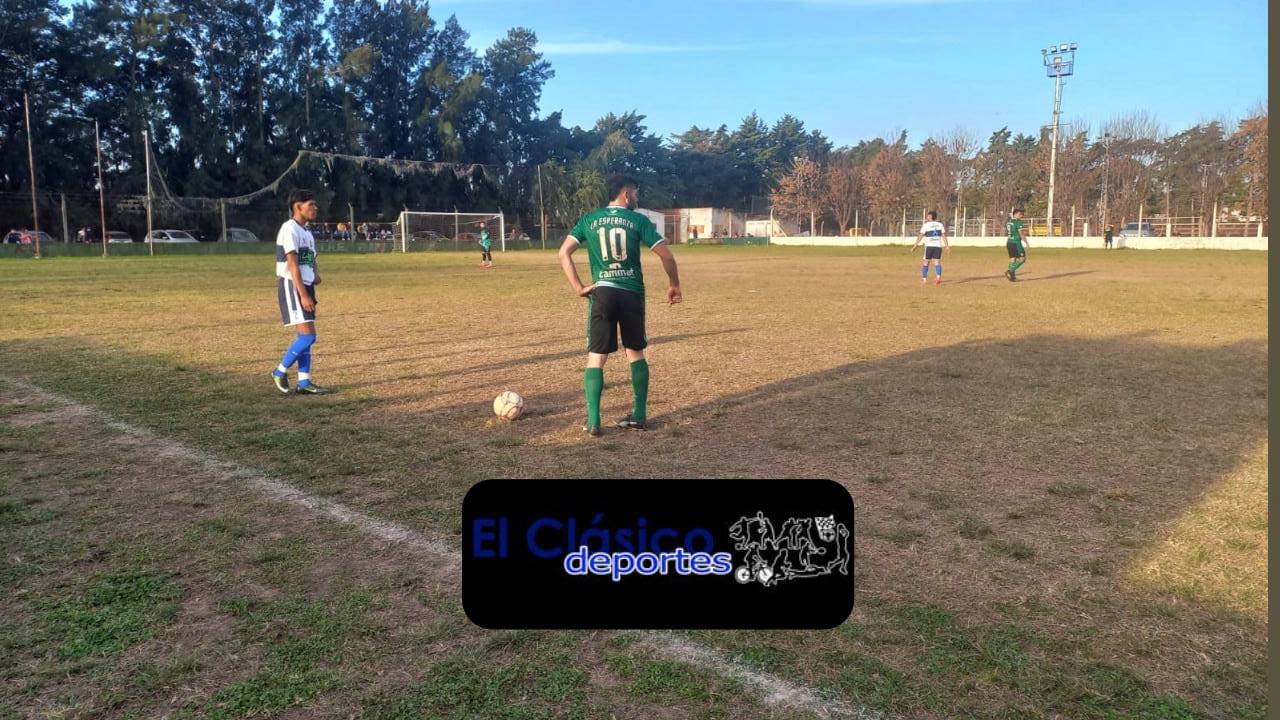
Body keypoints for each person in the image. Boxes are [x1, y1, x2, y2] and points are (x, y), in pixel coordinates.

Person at [558, 175, 682, 437]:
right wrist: (674, 284)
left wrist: (579, 287)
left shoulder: (589, 219)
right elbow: (667, 256)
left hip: (602, 292)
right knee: (635, 352)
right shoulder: (638, 220)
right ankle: (639, 416)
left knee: (596, 356)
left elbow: (563, 253)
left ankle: (594, 421)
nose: (637, 197)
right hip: (631, 293)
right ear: (626, 194)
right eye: (635, 193)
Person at [271, 189, 332, 395]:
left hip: (306, 285)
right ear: (298, 207)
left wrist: (315, 274)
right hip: (293, 285)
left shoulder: (306, 231)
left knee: (305, 335)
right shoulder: (289, 229)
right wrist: (303, 295)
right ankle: (279, 371)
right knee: (308, 337)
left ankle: (304, 382)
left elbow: (311, 258)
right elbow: (292, 263)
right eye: (311, 204)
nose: (315, 208)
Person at [910, 210, 949, 285]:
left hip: (929, 246)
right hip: (938, 246)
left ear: (930, 217)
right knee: (937, 262)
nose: (927, 217)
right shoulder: (940, 224)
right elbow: (943, 235)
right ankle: (938, 277)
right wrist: (946, 245)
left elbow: (921, 235)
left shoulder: (926, 225)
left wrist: (915, 246)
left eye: (928, 216)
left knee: (926, 262)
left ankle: (924, 279)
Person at [1005, 208, 1029, 281]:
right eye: (1019, 214)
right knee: (1022, 259)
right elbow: (1021, 233)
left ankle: (1012, 277)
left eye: (1021, 214)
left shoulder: (1009, 222)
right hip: (1016, 243)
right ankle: (1010, 271)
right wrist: (1026, 242)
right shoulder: (1018, 222)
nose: (1021, 216)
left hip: (1009, 242)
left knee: (1013, 259)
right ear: (1015, 214)